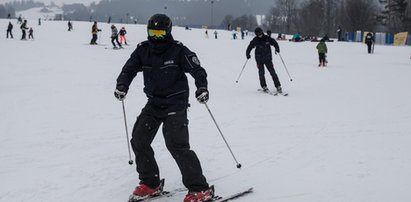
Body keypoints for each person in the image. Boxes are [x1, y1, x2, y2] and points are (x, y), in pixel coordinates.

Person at [114, 13, 213, 202]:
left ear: (168, 32)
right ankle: (151, 183)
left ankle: (199, 189)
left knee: (177, 145)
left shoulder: (179, 51)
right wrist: (122, 85)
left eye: (160, 33)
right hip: (154, 103)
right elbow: (129, 69)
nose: (155, 37)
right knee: (139, 140)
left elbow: (198, 70)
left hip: (176, 103)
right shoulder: (143, 50)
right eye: (152, 32)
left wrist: (202, 87)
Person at [246, 27, 283, 93]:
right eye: (258, 34)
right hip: (259, 59)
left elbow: (274, 43)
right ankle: (264, 86)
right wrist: (247, 54)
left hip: (267, 59)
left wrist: (277, 48)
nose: (259, 35)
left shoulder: (267, 38)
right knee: (261, 74)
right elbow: (249, 47)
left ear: (262, 32)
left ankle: (278, 86)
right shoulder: (255, 40)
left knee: (273, 73)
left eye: (260, 33)